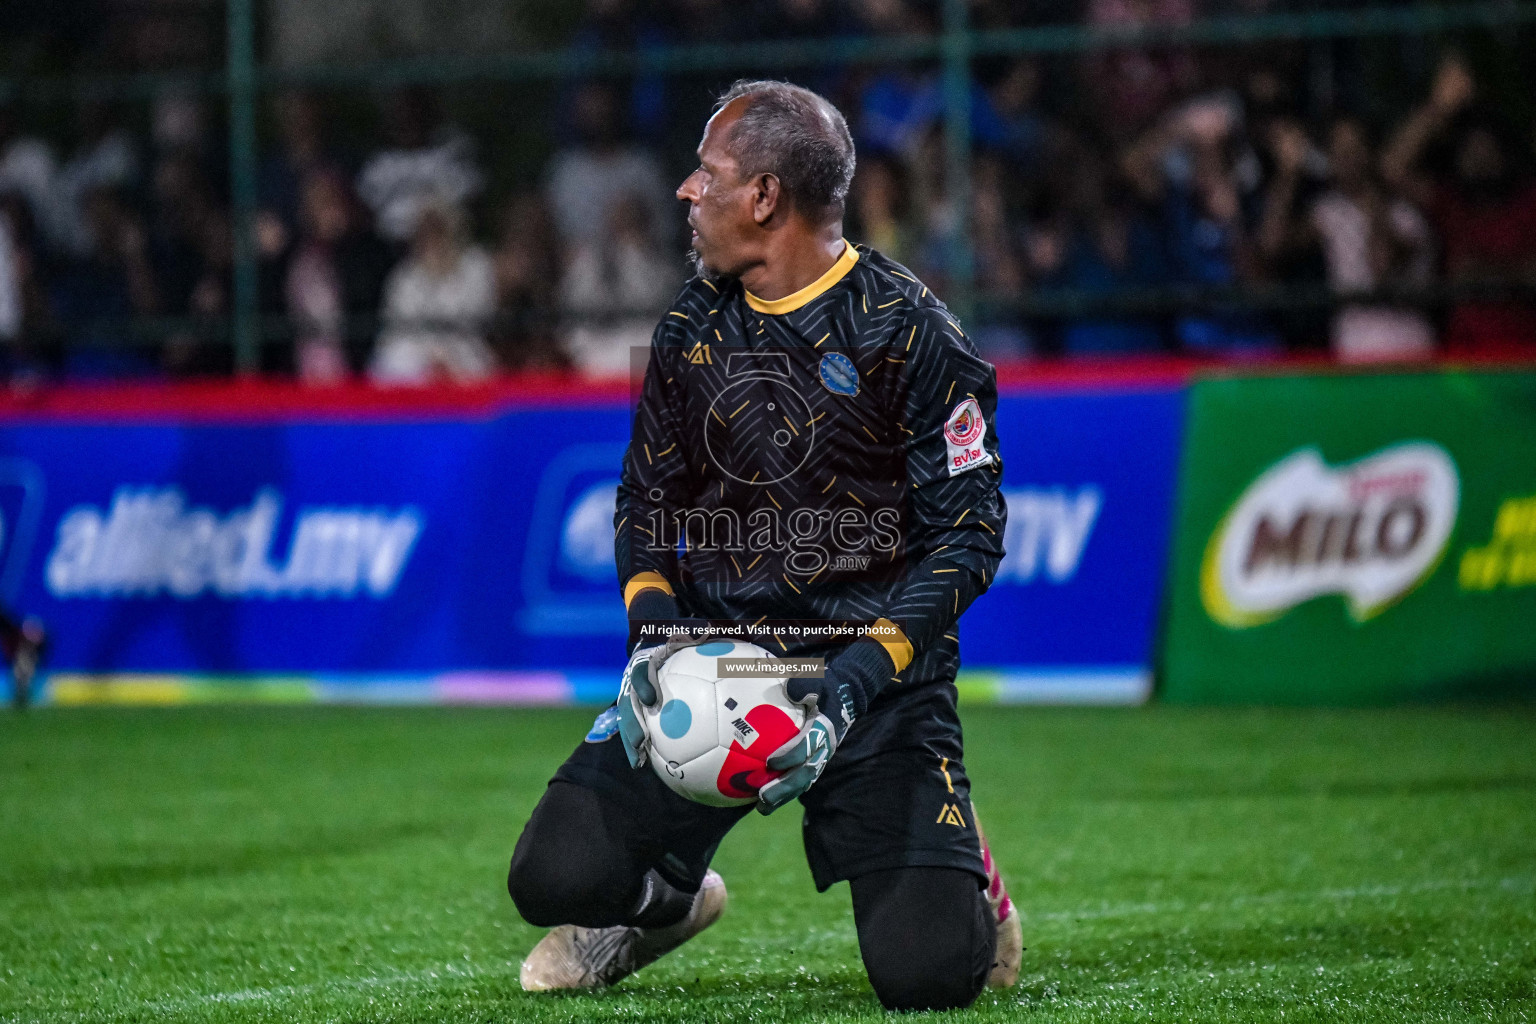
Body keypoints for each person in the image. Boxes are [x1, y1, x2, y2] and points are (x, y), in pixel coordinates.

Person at [507, 80, 1022, 1012]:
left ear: (765, 198)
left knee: (931, 977)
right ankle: (660, 908)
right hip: (711, 670)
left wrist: (863, 675)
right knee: (552, 876)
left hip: (871, 690)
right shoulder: (691, 323)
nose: (684, 193)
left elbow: (971, 532)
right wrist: (654, 636)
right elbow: (646, 501)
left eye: (706, 174)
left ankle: (971, 871)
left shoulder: (913, 332)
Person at [369, 198, 496, 384]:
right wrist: (432, 356)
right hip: (417, 354)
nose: (432, 236)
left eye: (438, 228)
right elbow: (397, 326)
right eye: (425, 230)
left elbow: (480, 315)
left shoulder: (476, 264)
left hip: (464, 349)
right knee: (392, 359)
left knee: (475, 367)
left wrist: (444, 355)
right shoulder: (404, 275)